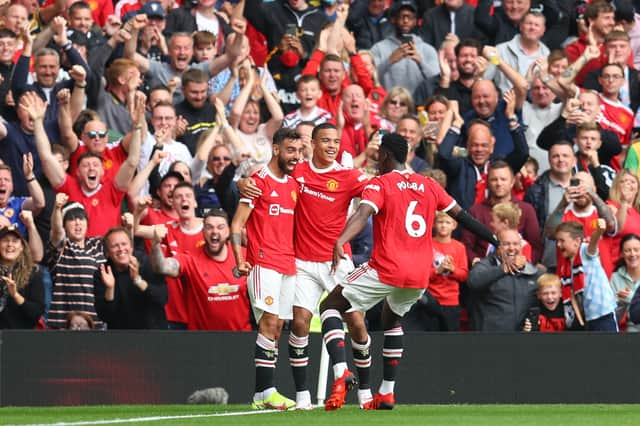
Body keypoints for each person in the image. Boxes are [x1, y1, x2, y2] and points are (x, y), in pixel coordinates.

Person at [319, 133, 498, 410]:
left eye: (379, 155)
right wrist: (493, 238)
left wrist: (341, 240)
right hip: (418, 275)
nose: (377, 160)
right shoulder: (429, 185)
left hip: (386, 267)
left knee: (330, 307)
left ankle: (341, 371)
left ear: (387, 155)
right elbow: (463, 216)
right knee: (391, 320)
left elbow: (362, 214)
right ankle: (387, 392)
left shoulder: (380, 183)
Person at [230, 128, 303, 410]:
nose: (295, 156)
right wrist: (239, 258)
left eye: (298, 151)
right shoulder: (258, 181)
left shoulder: (294, 184)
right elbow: (237, 224)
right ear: (275, 150)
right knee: (269, 323)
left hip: (288, 263)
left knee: (278, 326)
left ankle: (262, 396)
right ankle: (266, 392)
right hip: (263, 262)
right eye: (290, 150)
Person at [150, 209, 252, 331]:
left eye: (220, 227)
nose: (214, 232)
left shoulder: (244, 257)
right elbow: (161, 267)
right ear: (202, 232)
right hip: (201, 341)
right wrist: (155, 244)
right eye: (209, 227)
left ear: (228, 232)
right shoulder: (190, 259)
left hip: (241, 338)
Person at [46, 194, 105, 329]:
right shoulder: (62, 246)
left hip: (95, 322)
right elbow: (56, 232)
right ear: (64, 225)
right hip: (64, 324)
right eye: (71, 219)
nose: (78, 222)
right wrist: (57, 208)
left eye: (81, 218)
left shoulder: (97, 244)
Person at [467, 228, 543, 331]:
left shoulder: (533, 272)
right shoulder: (486, 265)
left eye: (516, 244)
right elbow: (473, 282)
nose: (512, 248)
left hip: (520, 340)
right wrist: (504, 268)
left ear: (521, 246)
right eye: (506, 244)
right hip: (490, 338)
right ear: (497, 246)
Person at [94, 226, 167, 329]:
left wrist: (138, 280)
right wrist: (110, 288)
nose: (121, 249)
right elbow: (105, 316)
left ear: (131, 247)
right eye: (115, 246)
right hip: (121, 336)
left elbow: (162, 298)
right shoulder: (103, 273)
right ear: (107, 253)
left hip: (152, 333)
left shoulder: (147, 263)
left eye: (124, 244)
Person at [555, 220, 618, 331]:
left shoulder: (584, 250)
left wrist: (599, 231)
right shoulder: (565, 265)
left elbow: (593, 243)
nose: (558, 245)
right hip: (587, 319)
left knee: (611, 347)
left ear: (577, 241)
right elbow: (571, 295)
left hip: (603, 313)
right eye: (557, 241)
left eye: (562, 241)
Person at [370, 0, 439, 94]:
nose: (405, 21)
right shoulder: (378, 48)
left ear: (415, 21)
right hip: (389, 105)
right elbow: (370, 79)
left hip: (419, 106)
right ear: (393, 19)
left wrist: (421, 62)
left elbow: (436, 82)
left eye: (410, 17)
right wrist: (389, 61)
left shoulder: (428, 50)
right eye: (401, 16)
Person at [0, 224, 44, 329]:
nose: (10, 244)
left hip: (21, 337)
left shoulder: (33, 273)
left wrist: (15, 295)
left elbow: (36, 313)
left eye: (15, 241)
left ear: (21, 247)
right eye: (5, 240)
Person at [610, 234, 640, 332]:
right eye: (628, 250)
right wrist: (619, 303)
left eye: (636, 250)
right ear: (622, 254)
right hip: (627, 333)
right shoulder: (615, 278)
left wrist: (630, 297)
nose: (632, 254)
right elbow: (612, 318)